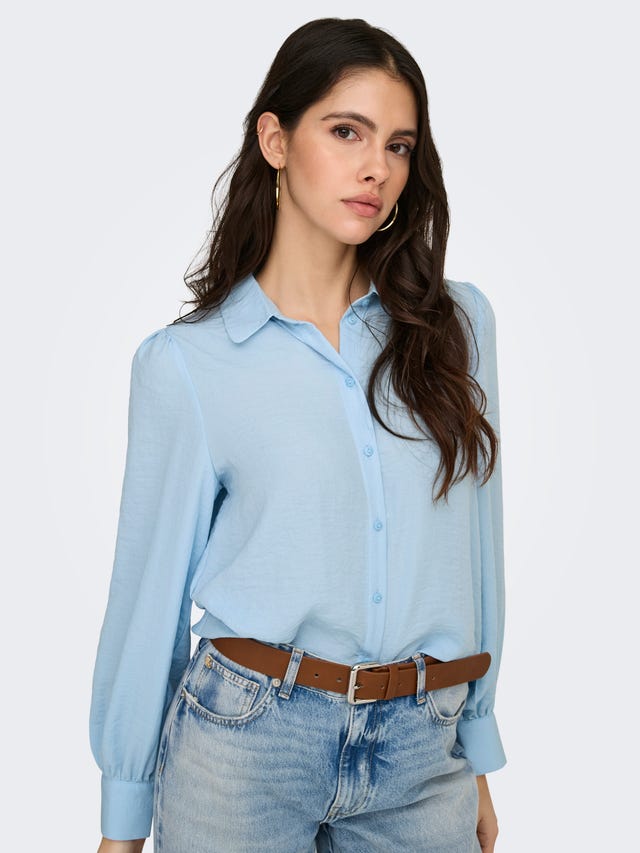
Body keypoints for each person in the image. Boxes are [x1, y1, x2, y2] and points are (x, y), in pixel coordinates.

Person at [90, 16, 507, 853]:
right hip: (244, 746)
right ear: (275, 140)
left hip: (421, 753)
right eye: (347, 131)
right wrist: (123, 818)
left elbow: (477, 548)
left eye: (398, 145)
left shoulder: (456, 326)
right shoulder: (188, 364)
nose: (376, 167)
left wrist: (476, 743)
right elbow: (148, 600)